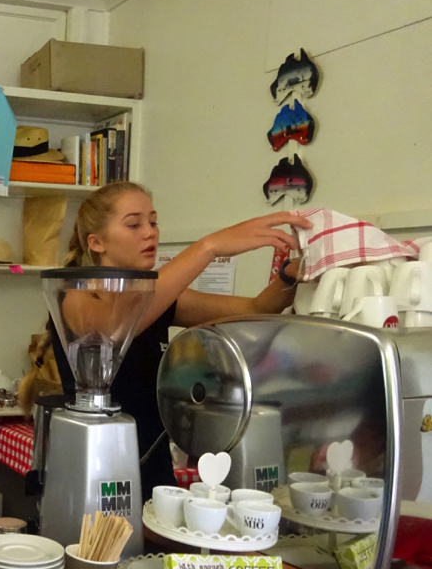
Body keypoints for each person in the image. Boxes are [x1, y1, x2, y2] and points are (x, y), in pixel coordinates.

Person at [50, 181, 312, 500]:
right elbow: (116, 328)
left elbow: (258, 309)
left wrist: (295, 271)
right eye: (133, 224)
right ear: (96, 242)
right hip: (97, 473)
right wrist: (208, 247)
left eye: (153, 221)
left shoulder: (161, 300)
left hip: (154, 470)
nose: (150, 233)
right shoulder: (76, 295)